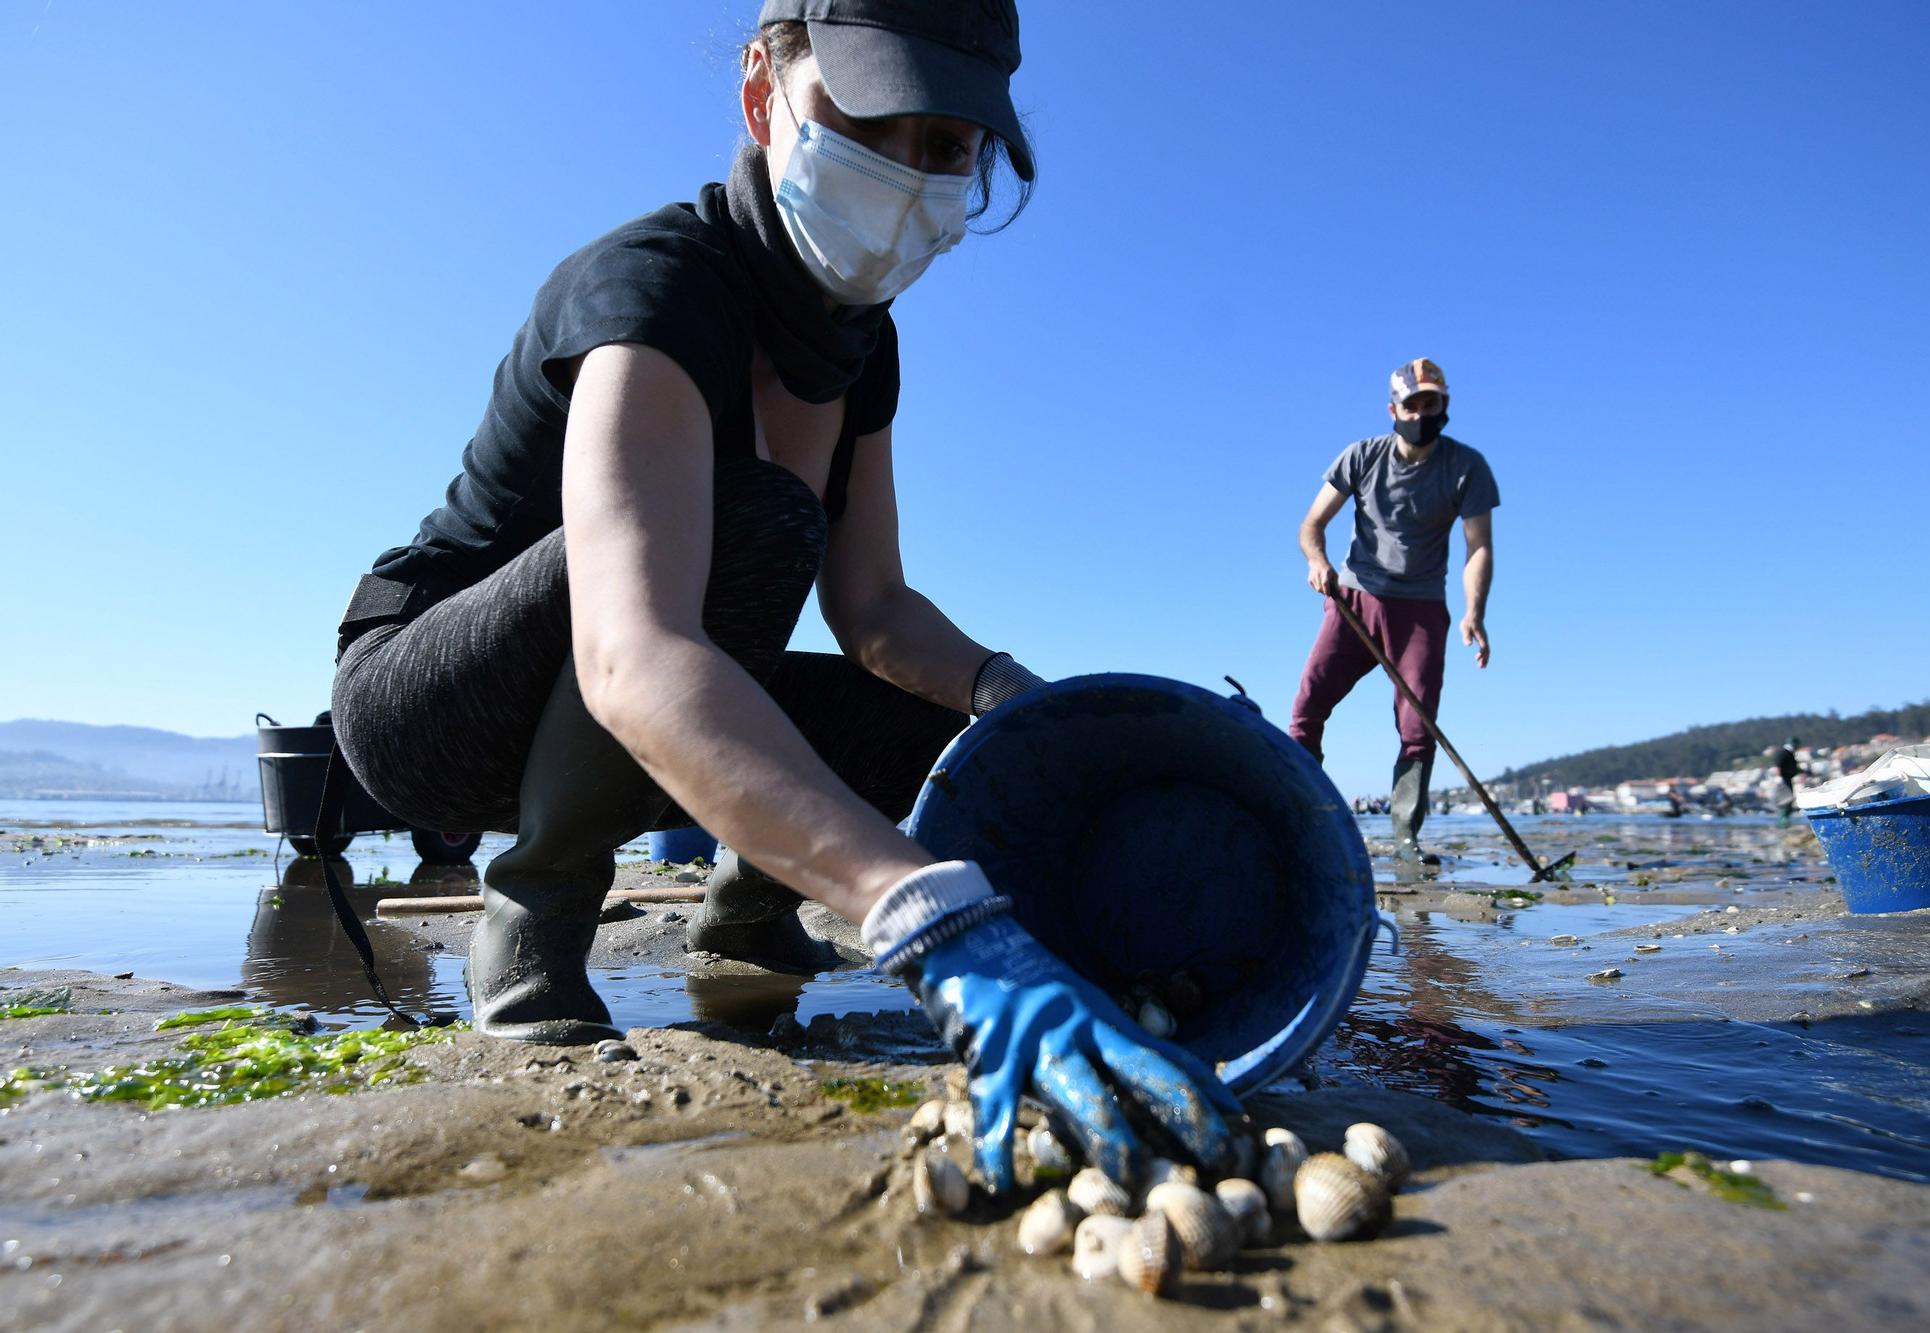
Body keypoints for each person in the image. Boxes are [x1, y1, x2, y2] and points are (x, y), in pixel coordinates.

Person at [326, 0, 1239, 1191]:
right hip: (433, 705)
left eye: (946, 147)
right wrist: (921, 909)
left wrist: (1026, 701)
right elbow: (635, 653)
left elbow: (873, 616)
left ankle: (746, 917)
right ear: (764, 93)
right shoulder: (657, 289)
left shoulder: (864, 344)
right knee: (756, 518)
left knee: (940, 719)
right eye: (872, 123)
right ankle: (531, 926)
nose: (909, 178)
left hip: (634, 691)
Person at [1289, 358, 1500, 868]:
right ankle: (1299, 815)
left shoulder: (1466, 467)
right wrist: (1318, 563)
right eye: (1414, 404)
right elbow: (1311, 524)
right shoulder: (1362, 456)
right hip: (1354, 599)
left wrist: (1475, 611)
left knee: (1418, 724)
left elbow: (1478, 547)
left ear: (1445, 405)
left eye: (1433, 403)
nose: (1423, 412)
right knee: (1307, 707)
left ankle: (1406, 836)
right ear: (1394, 409)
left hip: (1422, 609)